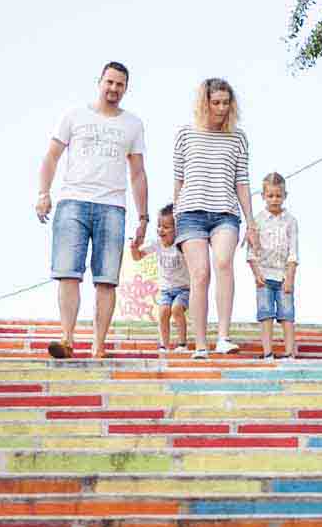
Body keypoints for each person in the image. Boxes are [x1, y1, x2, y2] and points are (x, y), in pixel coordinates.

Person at [36, 61, 149, 359]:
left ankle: (99, 347)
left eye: (120, 84)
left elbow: (138, 172)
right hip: (72, 201)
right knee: (68, 273)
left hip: (112, 206)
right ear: (99, 81)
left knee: (106, 278)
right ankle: (67, 339)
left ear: (126, 89)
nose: (113, 89)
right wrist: (43, 193)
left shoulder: (133, 124)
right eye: (109, 82)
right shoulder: (74, 115)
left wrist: (143, 217)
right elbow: (51, 156)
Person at [172, 77, 257, 358]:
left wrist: (251, 222)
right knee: (200, 274)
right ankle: (199, 343)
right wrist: (174, 216)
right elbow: (179, 180)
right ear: (204, 103)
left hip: (225, 212)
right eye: (216, 102)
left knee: (223, 263)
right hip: (190, 213)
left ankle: (223, 336)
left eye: (226, 102)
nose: (221, 108)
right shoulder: (185, 134)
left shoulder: (238, 137)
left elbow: (242, 182)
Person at [250, 172, 299, 358]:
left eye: (278, 195)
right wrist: (256, 274)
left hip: (283, 274)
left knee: (287, 314)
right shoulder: (258, 220)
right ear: (263, 196)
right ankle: (267, 351)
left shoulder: (290, 221)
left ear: (285, 195)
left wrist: (290, 277)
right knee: (265, 313)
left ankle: (289, 351)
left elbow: (293, 252)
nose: (274, 199)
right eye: (270, 195)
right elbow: (252, 253)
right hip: (264, 274)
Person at [134, 203, 190, 351]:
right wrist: (134, 248)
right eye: (159, 226)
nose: (161, 230)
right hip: (166, 289)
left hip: (184, 288)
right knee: (164, 312)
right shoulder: (157, 243)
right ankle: (164, 345)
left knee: (176, 309)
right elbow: (138, 256)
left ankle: (182, 344)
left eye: (166, 227)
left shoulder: (181, 244)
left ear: (177, 230)